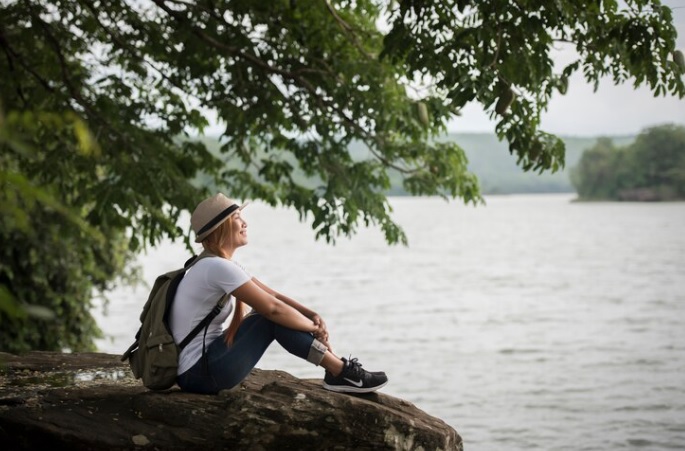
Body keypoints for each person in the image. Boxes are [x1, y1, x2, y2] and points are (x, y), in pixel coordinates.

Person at [170, 193, 388, 395]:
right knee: (269, 318)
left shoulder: (215, 264)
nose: (245, 223)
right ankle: (339, 372)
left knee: (269, 314)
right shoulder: (217, 268)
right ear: (221, 228)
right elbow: (273, 309)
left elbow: (273, 297)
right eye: (237, 217)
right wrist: (313, 328)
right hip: (200, 374)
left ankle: (338, 371)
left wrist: (312, 315)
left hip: (199, 369)